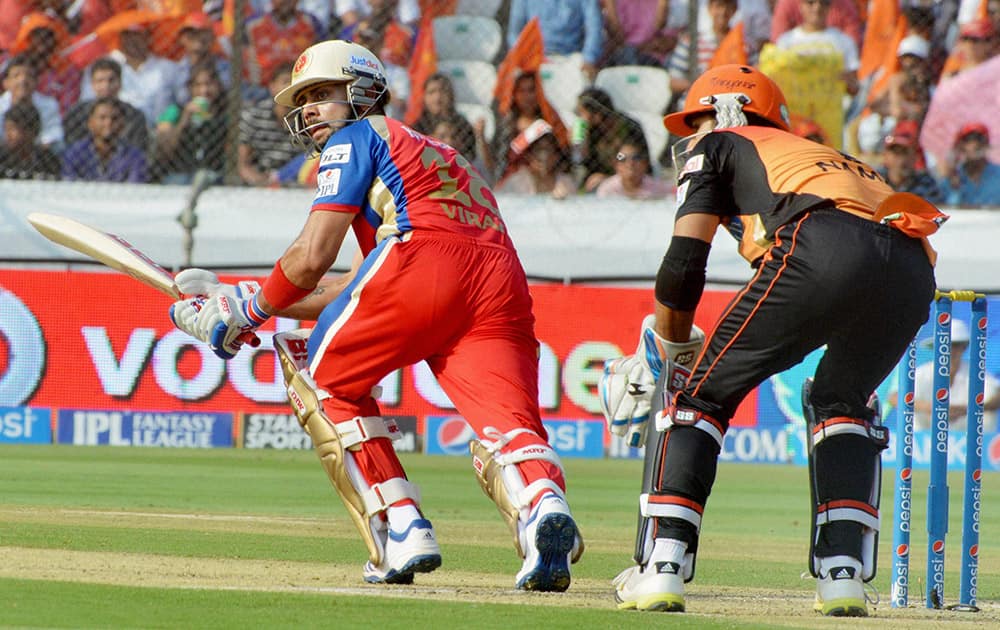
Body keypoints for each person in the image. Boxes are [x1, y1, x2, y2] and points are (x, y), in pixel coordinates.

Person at [167, 40, 583, 590]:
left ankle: (401, 527)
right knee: (509, 426)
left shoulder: (355, 137)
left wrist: (245, 312)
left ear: (362, 91)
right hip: (499, 278)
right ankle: (543, 509)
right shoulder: (439, 152)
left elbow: (313, 258)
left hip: (421, 261)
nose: (309, 108)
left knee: (318, 374)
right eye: (304, 99)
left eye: (321, 93)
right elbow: (357, 285)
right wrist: (240, 295)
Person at [600, 64, 942, 616]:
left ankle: (661, 566)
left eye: (697, 120)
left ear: (726, 113)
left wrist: (667, 347)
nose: (691, 134)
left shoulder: (722, 141)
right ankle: (843, 578)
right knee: (842, 403)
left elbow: (683, 265)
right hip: (911, 266)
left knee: (696, 395)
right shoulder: (822, 155)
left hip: (822, 244)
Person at [897, 319, 1000, 433]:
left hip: (968, 440)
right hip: (923, 440)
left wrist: (965, 409)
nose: (949, 351)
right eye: (944, 346)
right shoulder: (921, 373)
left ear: (964, 347)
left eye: (954, 345)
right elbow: (895, 397)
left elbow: (997, 397)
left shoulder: (977, 373)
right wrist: (930, 408)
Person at [79, 24, 176, 128]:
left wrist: (167, 120)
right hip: (113, 127)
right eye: (127, 35)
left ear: (148, 37)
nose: (132, 40)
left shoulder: (167, 68)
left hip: (157, 129)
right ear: (120, 38)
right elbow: (87, 100)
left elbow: (177, 104)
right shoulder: (105, 66)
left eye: (137, 35)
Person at [482, 71, 569, 183]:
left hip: (546, 179)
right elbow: (495, 161)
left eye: (531, 90)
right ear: (514, 94)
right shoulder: (507, 126)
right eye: (521, 91)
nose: (527, 96)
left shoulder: (549, 120)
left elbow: (563, 156)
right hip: (514, 181)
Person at [154, 61, 229, 184]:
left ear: (218, 86)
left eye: (209, 84)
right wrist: (185, 119)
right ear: (190, 88)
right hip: (179, 172)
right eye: (198, 85)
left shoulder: (226, 114)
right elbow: (164, 148)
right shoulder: (175, 111)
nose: (204, 91)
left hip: (213, 173)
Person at [238, 61, 302, 186]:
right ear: (272, 87)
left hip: (296, 182)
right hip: (259, 180)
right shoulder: (254, 116)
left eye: (295, 83)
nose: (291, 87)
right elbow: (242, 164)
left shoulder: (308, 117)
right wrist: (259, 181)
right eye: (285, 81)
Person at [63, 57, 148, 151]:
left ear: (120, 83)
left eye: (111, 80)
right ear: (92, 84)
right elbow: (71, 148)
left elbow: (138, 150)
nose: (106, 86)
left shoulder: (135, 116)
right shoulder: (76, 114)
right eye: (100, 81)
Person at [507, 0, 605, 82]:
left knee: (584, 80)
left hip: (570, 57)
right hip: (534, 57)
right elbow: (514, 33)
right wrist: (523, 56)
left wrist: (589, 58)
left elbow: (594, 27)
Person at [575, 86, 645, 192]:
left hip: (629, 179)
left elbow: (636, 163)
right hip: (597, 181)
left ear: (596, 114)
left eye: (582, 113)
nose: (581, 118)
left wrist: (608, 179)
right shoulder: (592, 131)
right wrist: (582, 143)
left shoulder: (629, 128)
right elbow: (585, 163)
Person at [62, 97, 148, 182]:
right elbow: (69, 185)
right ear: (90, 123)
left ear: (122, 124)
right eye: (102, 118)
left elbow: (135, 188)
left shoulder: (134, 156)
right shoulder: (75, 153)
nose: (108, 123)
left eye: (114, 118)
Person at [245, 0, 320, 89]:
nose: (285, 1)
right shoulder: (253, 23)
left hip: (301, 85)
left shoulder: (310, 22)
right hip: (260, 87)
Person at [494, 119, 576, 198]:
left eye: (548, 150)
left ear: (556, 155)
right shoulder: (516, 182)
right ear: (528, 155)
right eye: (538, 150)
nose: (543, 156)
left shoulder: (565, 183)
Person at [0, 54, 63, 150]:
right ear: (5, 83)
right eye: (16, 75)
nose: (23, 80)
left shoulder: (49, 105)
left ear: (37, 81)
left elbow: (54, 136)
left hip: (38, 156)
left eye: (29, 75)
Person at [877, 120, 944, 205]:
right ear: (885, 156)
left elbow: (932, 212)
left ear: (915, 157)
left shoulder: (926, 183)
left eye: (905, 153)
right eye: (896, 153)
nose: (901, 159)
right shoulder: (875, 181)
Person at [939, 123, 1000, 208]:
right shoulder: (952, 178)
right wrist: (955, 188)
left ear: (987, 144)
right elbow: (947, 211)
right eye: (968, 140)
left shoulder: (998, 175)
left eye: (979, 139)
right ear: (961, 146)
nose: (974, 144)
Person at [601, 0, 676, 68]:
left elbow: (669, 42)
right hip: (621, 58)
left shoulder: (664, 5)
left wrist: (636, 49)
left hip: (652, 60)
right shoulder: (615, 4)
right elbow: (613, 38)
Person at [0, 101, 60, 180]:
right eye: (6, 129)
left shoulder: (47, 159)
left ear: (31, 132)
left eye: (12, 129)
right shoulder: (2, 157)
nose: (8, 134)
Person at [596, 137, 671, 199]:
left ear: (644, 164)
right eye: (622, 159)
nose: (630, 163)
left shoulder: (658, 188)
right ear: (616, 165)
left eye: (635, 158)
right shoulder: (608, 189)